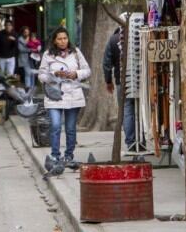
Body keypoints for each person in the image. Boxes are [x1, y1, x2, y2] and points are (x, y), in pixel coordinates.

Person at [38, 27, 91, 168]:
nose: (63, 41)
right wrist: (54, 75)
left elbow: (87, 70)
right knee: (55, 125)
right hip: (54, 95)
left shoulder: (76, 52)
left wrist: (76, 74)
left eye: (65, 38)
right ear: (54, 41)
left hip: (73, 94)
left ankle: (69, 156)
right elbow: (41, 75)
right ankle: (55, 156)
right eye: (59, 39)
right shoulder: (47, 54)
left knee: (70, 128)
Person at [102, 15, 137, 151]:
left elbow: (106, 63)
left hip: (121, 81)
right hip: (140, 79)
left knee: (127, 110)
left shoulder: (113, 39)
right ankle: (140, 140)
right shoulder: (137, 37)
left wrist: (108, 81)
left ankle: (131, 142)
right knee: (139, 109)